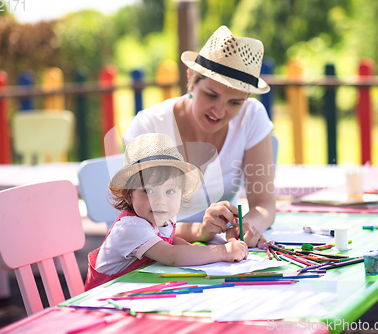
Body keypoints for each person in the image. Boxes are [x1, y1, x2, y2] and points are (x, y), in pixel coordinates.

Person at [122, 26, 276, 248]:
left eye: (235, 102)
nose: (219, 111)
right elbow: (139, 223)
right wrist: (200, 231)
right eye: (211, 95)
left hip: (221, 256)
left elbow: (264, 204)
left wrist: (247, 227)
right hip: (157, 255)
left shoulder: (252, 116)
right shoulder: (149, 126)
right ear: (191, 80)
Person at [84, 133, 248, 291]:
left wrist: (195, 251)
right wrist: (223, 251)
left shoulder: (160, 218)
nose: (160, 200)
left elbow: (172, 240)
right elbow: (172, 256)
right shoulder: (131, 226)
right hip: (104, 299)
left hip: (134, 292)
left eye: (169, 191)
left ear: (181, 193)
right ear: (128, 195)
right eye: (148, 191)